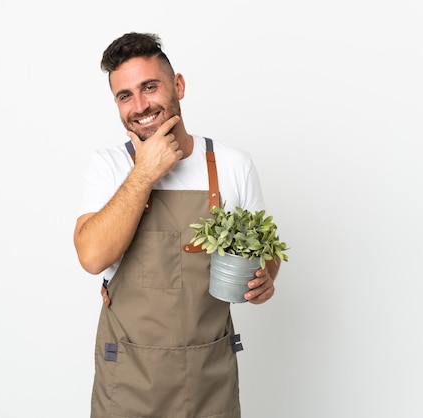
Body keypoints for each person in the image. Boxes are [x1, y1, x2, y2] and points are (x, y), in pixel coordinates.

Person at [73, 32, 281, 418]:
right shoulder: (109, 167)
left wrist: (265, 280)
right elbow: (92, 256)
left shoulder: (233, 165)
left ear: (178, 86)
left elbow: (266, 257)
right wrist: (145, 172)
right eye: (125, 96)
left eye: (150, 87)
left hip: (209, 381)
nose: (140, 105)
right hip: (129, 383)